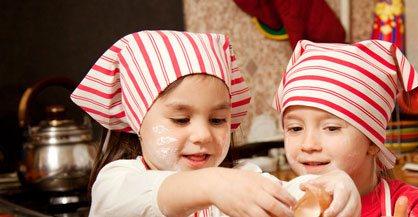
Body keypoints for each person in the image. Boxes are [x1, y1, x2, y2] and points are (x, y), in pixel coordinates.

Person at [72, 30, 359, 217]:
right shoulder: (118, 183)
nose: (202, 134)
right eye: (181, 119)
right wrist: (213, 183)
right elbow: (145, 198)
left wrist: (330, 185)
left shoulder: (242, 179)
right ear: (137, 119)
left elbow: (291, 195)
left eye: (218, 120)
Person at [274, 39, 418, 217]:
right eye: (295, 128)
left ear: (372, 141)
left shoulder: (416, 206)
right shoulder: (276, 206)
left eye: (331, 128)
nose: (308, 144)